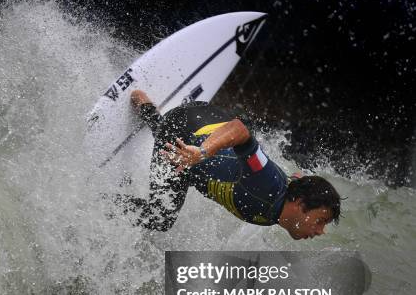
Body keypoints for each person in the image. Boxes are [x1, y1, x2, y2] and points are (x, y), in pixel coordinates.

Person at [117, 90, 341, 240]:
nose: (320, 231)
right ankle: (105, 202)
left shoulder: (282, 201)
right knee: (161, 217)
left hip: (205, 118)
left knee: (183, 152)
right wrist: (202, 152)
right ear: (300, 204)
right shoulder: (268, 183)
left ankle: (144, 104)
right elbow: (239, 130)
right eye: (320, 221)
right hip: (188, 127)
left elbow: (298, 178)